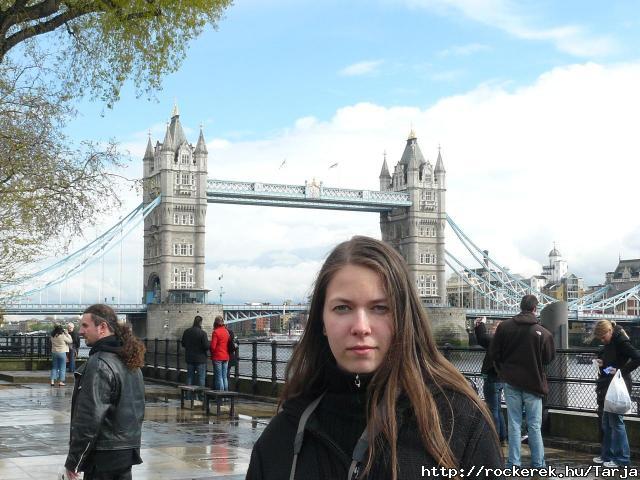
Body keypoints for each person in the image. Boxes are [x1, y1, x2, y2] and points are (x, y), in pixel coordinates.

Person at [246, 236, 502, 480]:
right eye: (342, 308)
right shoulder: (281, 437)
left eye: (380, 308)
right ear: (321, 321)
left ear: (404, 317)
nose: (361, 326)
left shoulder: (459, 421)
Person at [64, 304, 145, 480]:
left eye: (85, 326)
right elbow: (138, 409)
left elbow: (89, 418)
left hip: (102, 455)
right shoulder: (130, 360)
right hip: (126, 451)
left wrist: (74, 461)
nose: (80, 331)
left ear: (102, 327)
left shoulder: (99, 363)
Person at [490, 294, 555, 471]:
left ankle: (513, 463)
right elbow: (549, 358)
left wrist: (502, 370)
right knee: (534, 425)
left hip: (511, 381)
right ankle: (538, 464)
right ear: (535, 309)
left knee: (514, 423)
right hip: (534, 383)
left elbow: (494, 353)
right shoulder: (543, 333)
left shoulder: (504, 327)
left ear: (520, 307)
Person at [592, 320, 640, 468]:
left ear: (609, 332)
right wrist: (602, 362)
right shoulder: (611, 341)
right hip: (609, 385)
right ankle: (607, 456)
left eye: (602, 337)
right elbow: (611, 361)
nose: (602, 340)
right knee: (607, 422)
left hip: (618, 386)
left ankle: (623, 459)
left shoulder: (621, 341)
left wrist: (620, 371)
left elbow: (637, 357)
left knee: (616, 423)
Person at [474, 317, 507, 444]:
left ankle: (495, 439)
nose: (492, 330)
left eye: (494, 328)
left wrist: (480, 323)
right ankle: (503, 437)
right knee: (498, 409)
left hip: (492, 379)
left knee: (493, 410)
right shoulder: (506, 341)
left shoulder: (497, 341)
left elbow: (482, 338)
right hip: (501, 379)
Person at [181, 315, 209, 396]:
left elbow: (183, 344)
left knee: (189, 377)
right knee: (201, 378)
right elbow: (206, 346)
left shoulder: (187, 331)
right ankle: (201, 396)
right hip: (201, 359)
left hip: (189, 358)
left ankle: (188, 396)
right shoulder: (203, 333)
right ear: (200, 322)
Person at [210, 316, 230, 391]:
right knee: (224, 377)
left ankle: (220, 396)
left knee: (219, 377)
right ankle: (226, 395)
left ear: (215, 323)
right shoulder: (226, 331)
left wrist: (212, 353)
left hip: (218, 357)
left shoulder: (215, 332)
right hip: (226, 356)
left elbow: (213, 346)